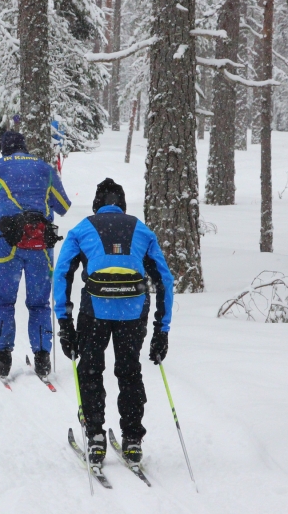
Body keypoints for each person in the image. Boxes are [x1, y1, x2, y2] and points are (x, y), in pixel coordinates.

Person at [53, 178, 174, 469]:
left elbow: (62, 275)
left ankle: (95, 436)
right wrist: (162, 329)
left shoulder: (82, 229)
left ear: (97, 204)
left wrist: (64, 322)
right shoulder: (142, 230)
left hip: (95, 311)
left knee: (91, 369)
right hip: (133, 312)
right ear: (122, 204)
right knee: (129, 371)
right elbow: (165, 279)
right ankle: (132, 440)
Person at [0, 131, 72, 377]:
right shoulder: (44, 169)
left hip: (8, 245)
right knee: (39, 304)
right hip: (41, 248)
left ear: (4, 149)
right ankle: (43, 357)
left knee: (3, 300)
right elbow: (64, 206)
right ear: (25, 147)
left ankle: (3, 359)